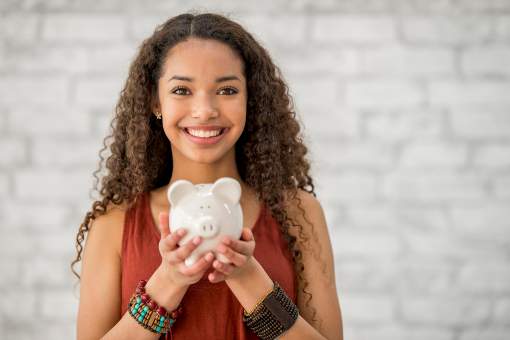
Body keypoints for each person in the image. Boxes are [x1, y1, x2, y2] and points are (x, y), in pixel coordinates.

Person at [72, 11, 343, 340]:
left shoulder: (299, 213)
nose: (205, 110)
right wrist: (169, 281)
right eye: (182, 91)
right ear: (155, 102)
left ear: (250, 100)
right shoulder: (114, 223)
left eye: (227, 91)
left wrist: (249, 280)